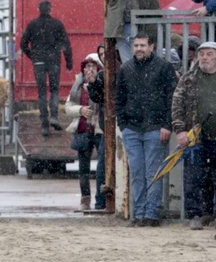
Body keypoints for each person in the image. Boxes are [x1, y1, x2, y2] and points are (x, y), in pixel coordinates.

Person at [115, 31, 176, 227]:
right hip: (132, 128)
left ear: (152, 47)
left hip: (155, 128)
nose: (139, 49)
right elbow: (119, 99)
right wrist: (123, 125)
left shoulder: (164, 68)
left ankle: (151, 215)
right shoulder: (125, 69)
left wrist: (167, 125)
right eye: (136, 45)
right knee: (137, 173)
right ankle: (139, 214)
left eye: (143, 45)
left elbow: (171, 99)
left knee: (154, 173)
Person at [171, 41, 216, 229]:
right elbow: (177, 105)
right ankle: (196, 215)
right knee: (194, 176)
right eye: (202, 54)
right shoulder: (188, 78)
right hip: (195, 136)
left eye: (209, 54)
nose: (204, 57)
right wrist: (180, 130)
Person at [20, 0, 73, 136]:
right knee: (54, 90)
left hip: (38, 62)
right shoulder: (57, 24)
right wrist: (68, 62)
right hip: (53, 60)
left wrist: (32, 56)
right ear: (50, 9)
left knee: (41, 92)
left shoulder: (32, 25)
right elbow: (66, 44)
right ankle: (54, 117)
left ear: (39, 9)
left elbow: (23, 43)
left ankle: (44, 124)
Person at [66, 53, 106, 212]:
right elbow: (68, 107)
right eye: (87, 67)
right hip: (83, 129)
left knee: (102, 167)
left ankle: (101, 199)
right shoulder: (77, 85)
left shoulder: (102, 83)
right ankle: (85, 198)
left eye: (93, 67)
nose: (90, 70)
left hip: (99, 129)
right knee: (83, 169)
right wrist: (80, 110)